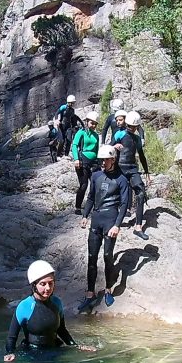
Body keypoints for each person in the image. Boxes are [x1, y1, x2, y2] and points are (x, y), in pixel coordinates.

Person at [4, 260, 96, 363]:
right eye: (43, 284)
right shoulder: (24, 307)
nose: (48, 288)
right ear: (34, 285)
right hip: (32, 352)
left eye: (51, 283)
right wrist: (10, 353)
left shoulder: (57, 303)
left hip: (54, 348)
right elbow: (12, 337)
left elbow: (62, 330)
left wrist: (75, 346)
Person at [78, 144, 130, 313]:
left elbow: (124, 204)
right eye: (101, 160)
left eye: (106, 160)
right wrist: (85, 215)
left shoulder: (122, 179)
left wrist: (117, 225)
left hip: (110, 221)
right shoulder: (96, 176)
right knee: (92, 258)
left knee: (108, 256)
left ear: (113, 160)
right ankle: (90, 293)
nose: (102, 163)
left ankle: (108, 289)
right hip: (96, 220)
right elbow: (91, 197)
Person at [111, 110, 151, 240]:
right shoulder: (119, 134)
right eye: (129, 126)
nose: (131, 128)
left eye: (133, 127)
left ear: (137, 127)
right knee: (119, 195)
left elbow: (142, 156)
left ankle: (138, 227)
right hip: (120, 168)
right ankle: (114, 220)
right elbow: (109, 147)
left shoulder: (137, 138)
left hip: (132, 168)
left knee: (140, 192)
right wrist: (114, 146)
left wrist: (146, 172)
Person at [71, 111, 100, 215]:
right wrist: (76, 159)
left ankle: (95, 206)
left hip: (94, 162)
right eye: (92, 123)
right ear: (87, 122)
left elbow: (97, 150)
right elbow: (74, 145)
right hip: (83, 161)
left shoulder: (96, 135)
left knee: (96, 185)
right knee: (84, 185)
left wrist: (99, 162)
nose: (93, 125)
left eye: (95, 124)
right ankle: (78, 207)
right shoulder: (81, 132)